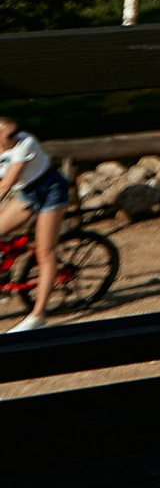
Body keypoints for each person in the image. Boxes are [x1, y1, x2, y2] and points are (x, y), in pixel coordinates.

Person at [0, 112, 74, 331]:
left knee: (45, 252)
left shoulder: (26, 143)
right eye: (8, 135)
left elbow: (6, 184)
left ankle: (38, 316)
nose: (13, 137)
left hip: (51, 190)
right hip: (28, 192)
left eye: (13, 133)